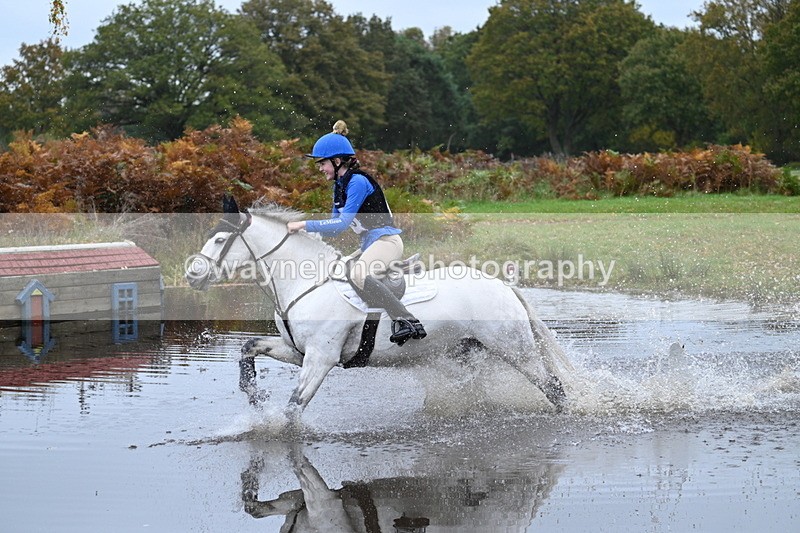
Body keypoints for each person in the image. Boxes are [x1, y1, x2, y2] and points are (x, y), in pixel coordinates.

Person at [286, 120, 426, 346]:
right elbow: (332, 227)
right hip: (370, 245)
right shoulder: (339, 186)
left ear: (337, 161)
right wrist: (305, 238)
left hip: (386, 242)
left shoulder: (358, 182)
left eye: (322, 164)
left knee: (359, 274)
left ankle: (407, 321)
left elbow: (341, 225)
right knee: (337, 271)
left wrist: (304, 224)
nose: (320, 169)